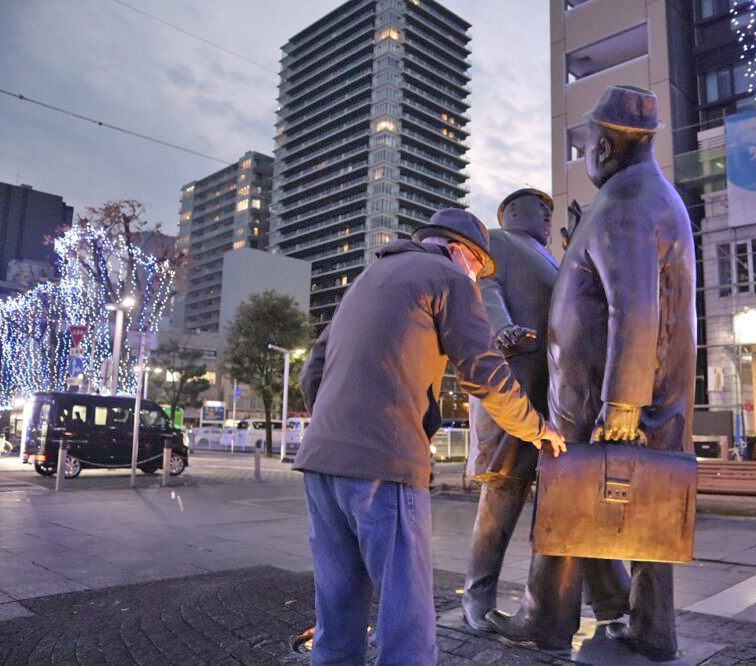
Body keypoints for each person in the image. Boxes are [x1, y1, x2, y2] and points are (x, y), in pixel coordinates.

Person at [293, 208, 566, 665]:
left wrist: (337, 423)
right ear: (460, 252)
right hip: (384, 465)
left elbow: (311, 372)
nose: (478, 280)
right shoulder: (449, 278)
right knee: (406, 622)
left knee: (337, 614)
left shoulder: (368, 277)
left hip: (320, 464)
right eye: (480, 268)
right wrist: (537, 429)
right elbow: (483, 371)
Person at [487, 86, 697, 660]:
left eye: (586, 145)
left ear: (603, 146)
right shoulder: (648, 196)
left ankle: (549, 618)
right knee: (628, 506)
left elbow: (635, 307)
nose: (585, 155)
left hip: (607, 394)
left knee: (568, 498)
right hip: (627, 390)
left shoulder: (627, 202)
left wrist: (622, 404)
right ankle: (644, 625)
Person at [462, 189, 628, 632]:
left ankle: (609, 600)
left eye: (549, 210)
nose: (546, 215)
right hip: (510, 385)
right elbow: (484, 287)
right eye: (539, 207)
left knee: (570, 495)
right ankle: (478, 594)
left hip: (557, 393)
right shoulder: (498, 240)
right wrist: (502, 330)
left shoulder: (554, 258)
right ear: (512, 210)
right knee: (503, 492)